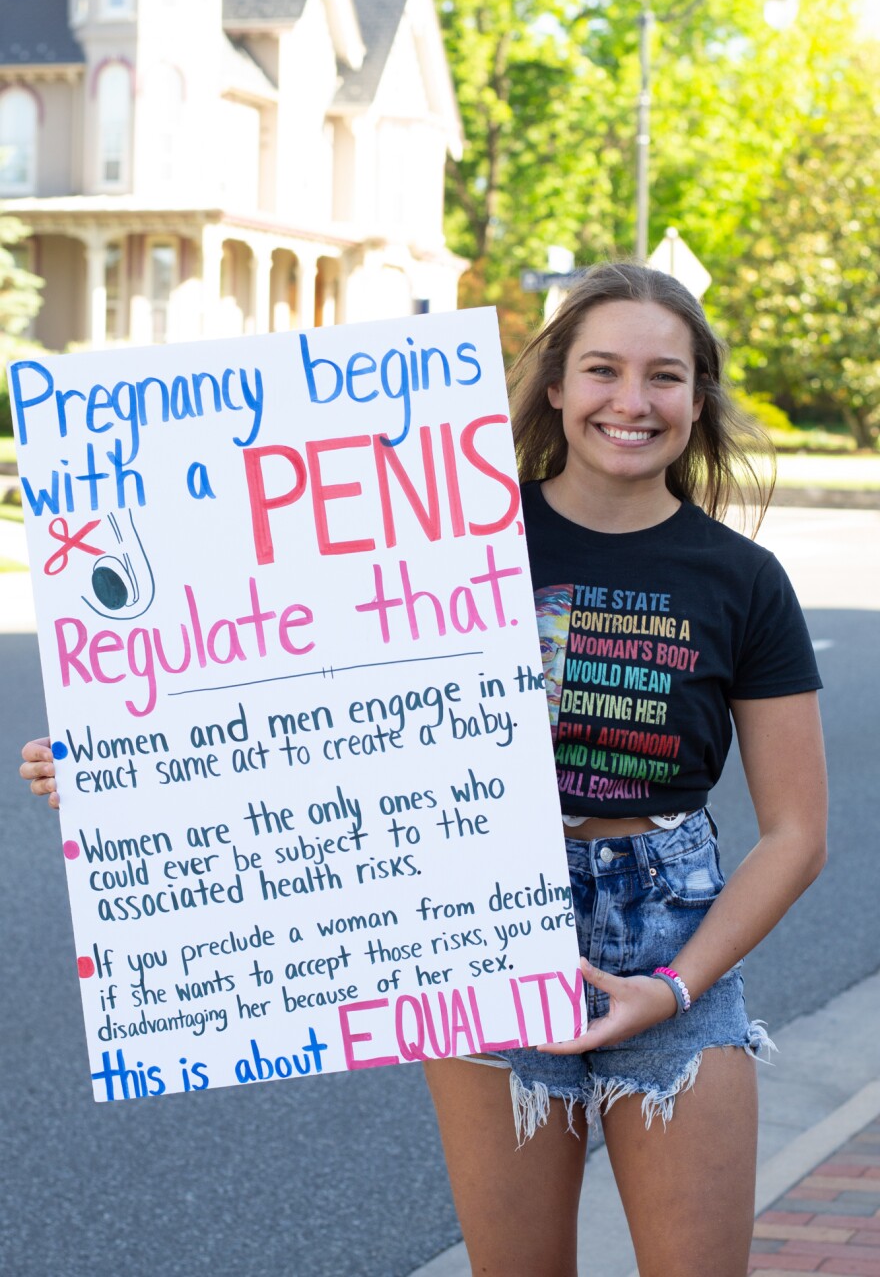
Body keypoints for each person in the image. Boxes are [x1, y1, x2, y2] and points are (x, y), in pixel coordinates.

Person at [20, 262, 827, 1277]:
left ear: (696, 397)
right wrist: (134, 765)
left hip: (672, 936)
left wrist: (671, 989)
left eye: (663, 377)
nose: (631, 401)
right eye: (602, 370)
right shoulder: (454, 539)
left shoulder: (743, 579)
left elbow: (797, 835)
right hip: (484, 925)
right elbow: (321, 707)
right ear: (554, 387)